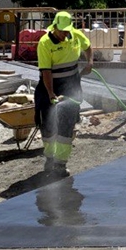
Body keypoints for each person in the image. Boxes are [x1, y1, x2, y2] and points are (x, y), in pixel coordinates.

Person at [35, 11, 93, 177]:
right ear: (54, 27)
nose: (64, 34)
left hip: (71, 85)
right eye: (62, 31)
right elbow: (46, 71)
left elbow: (88, 47)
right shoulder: (45, 43)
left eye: (67, 31)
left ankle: (61, 163)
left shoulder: (75, 35)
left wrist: (90, 62)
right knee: (46, 123)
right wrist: (51, 93)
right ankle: (50, 156)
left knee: (67, 124)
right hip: (49, 86)